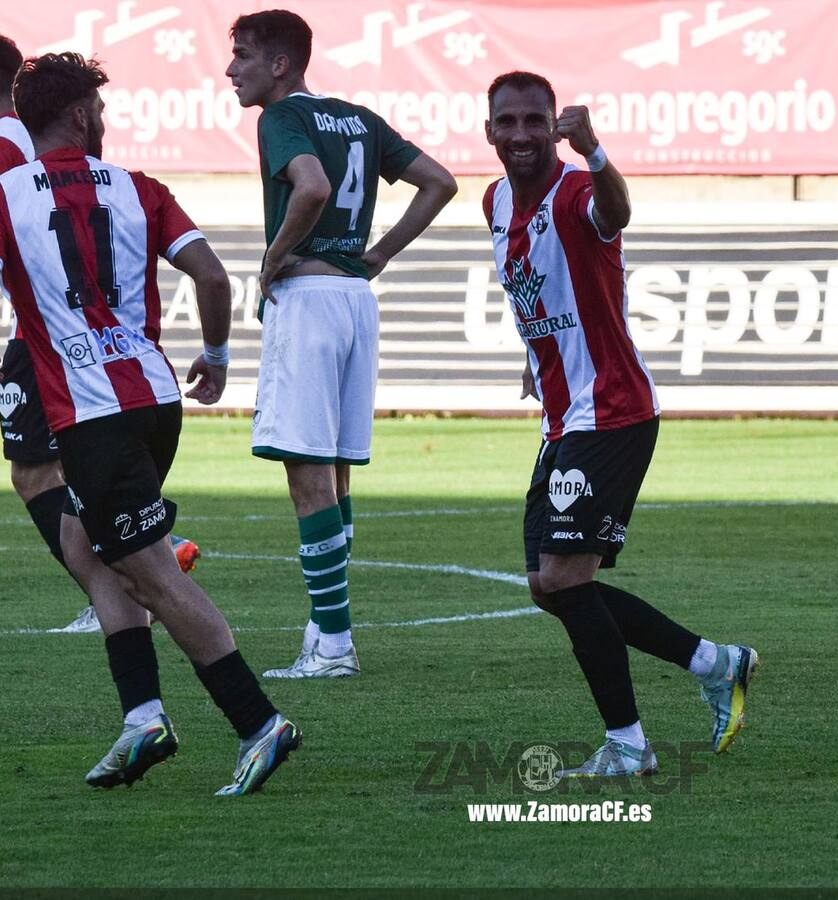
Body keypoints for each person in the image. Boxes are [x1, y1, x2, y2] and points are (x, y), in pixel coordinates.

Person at [0, 51, 299, 795]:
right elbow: (212, 274)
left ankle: (259, 723)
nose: (105, 122)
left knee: (150, 576)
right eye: (101, 110)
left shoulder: (6, 193)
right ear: (80, 114)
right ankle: (143, 715)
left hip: (92, 414)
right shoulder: (138, 188)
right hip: (153, 398)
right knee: (89, 547)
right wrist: (214, 353)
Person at [482, 71, 758, 776]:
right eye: (507, 122)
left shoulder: (577, 190)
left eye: (534, 122)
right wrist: (535, 357)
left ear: (553, 127)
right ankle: (713, 663)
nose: (521, 135)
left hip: (611, 412)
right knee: (549, 587)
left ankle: (629, 745)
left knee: (564, 578)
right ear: (489, 130)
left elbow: (617, 213)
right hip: (563, 417)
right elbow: (536, 290)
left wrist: (596, 150)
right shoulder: (493, 201)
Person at [0, 32, 199, 636]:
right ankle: (136, 560)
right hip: (92, 336)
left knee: (34, 472)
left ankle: (117, 580)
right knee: (63, 464)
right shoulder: (26, 141)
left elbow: (4, 227)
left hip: (42, 329)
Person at [225, 10, 457, 678]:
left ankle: (332, 644)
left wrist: (273, 258)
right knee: (335, 468)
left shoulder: (280, 119)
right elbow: (439, 182)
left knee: (305, 473)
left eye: (241, 55)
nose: (229, 68)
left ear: (280, 64)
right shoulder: (357, 117)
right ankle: (324, 632)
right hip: (357, 299)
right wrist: (378, 253)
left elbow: (314, 185)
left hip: (310, 303)